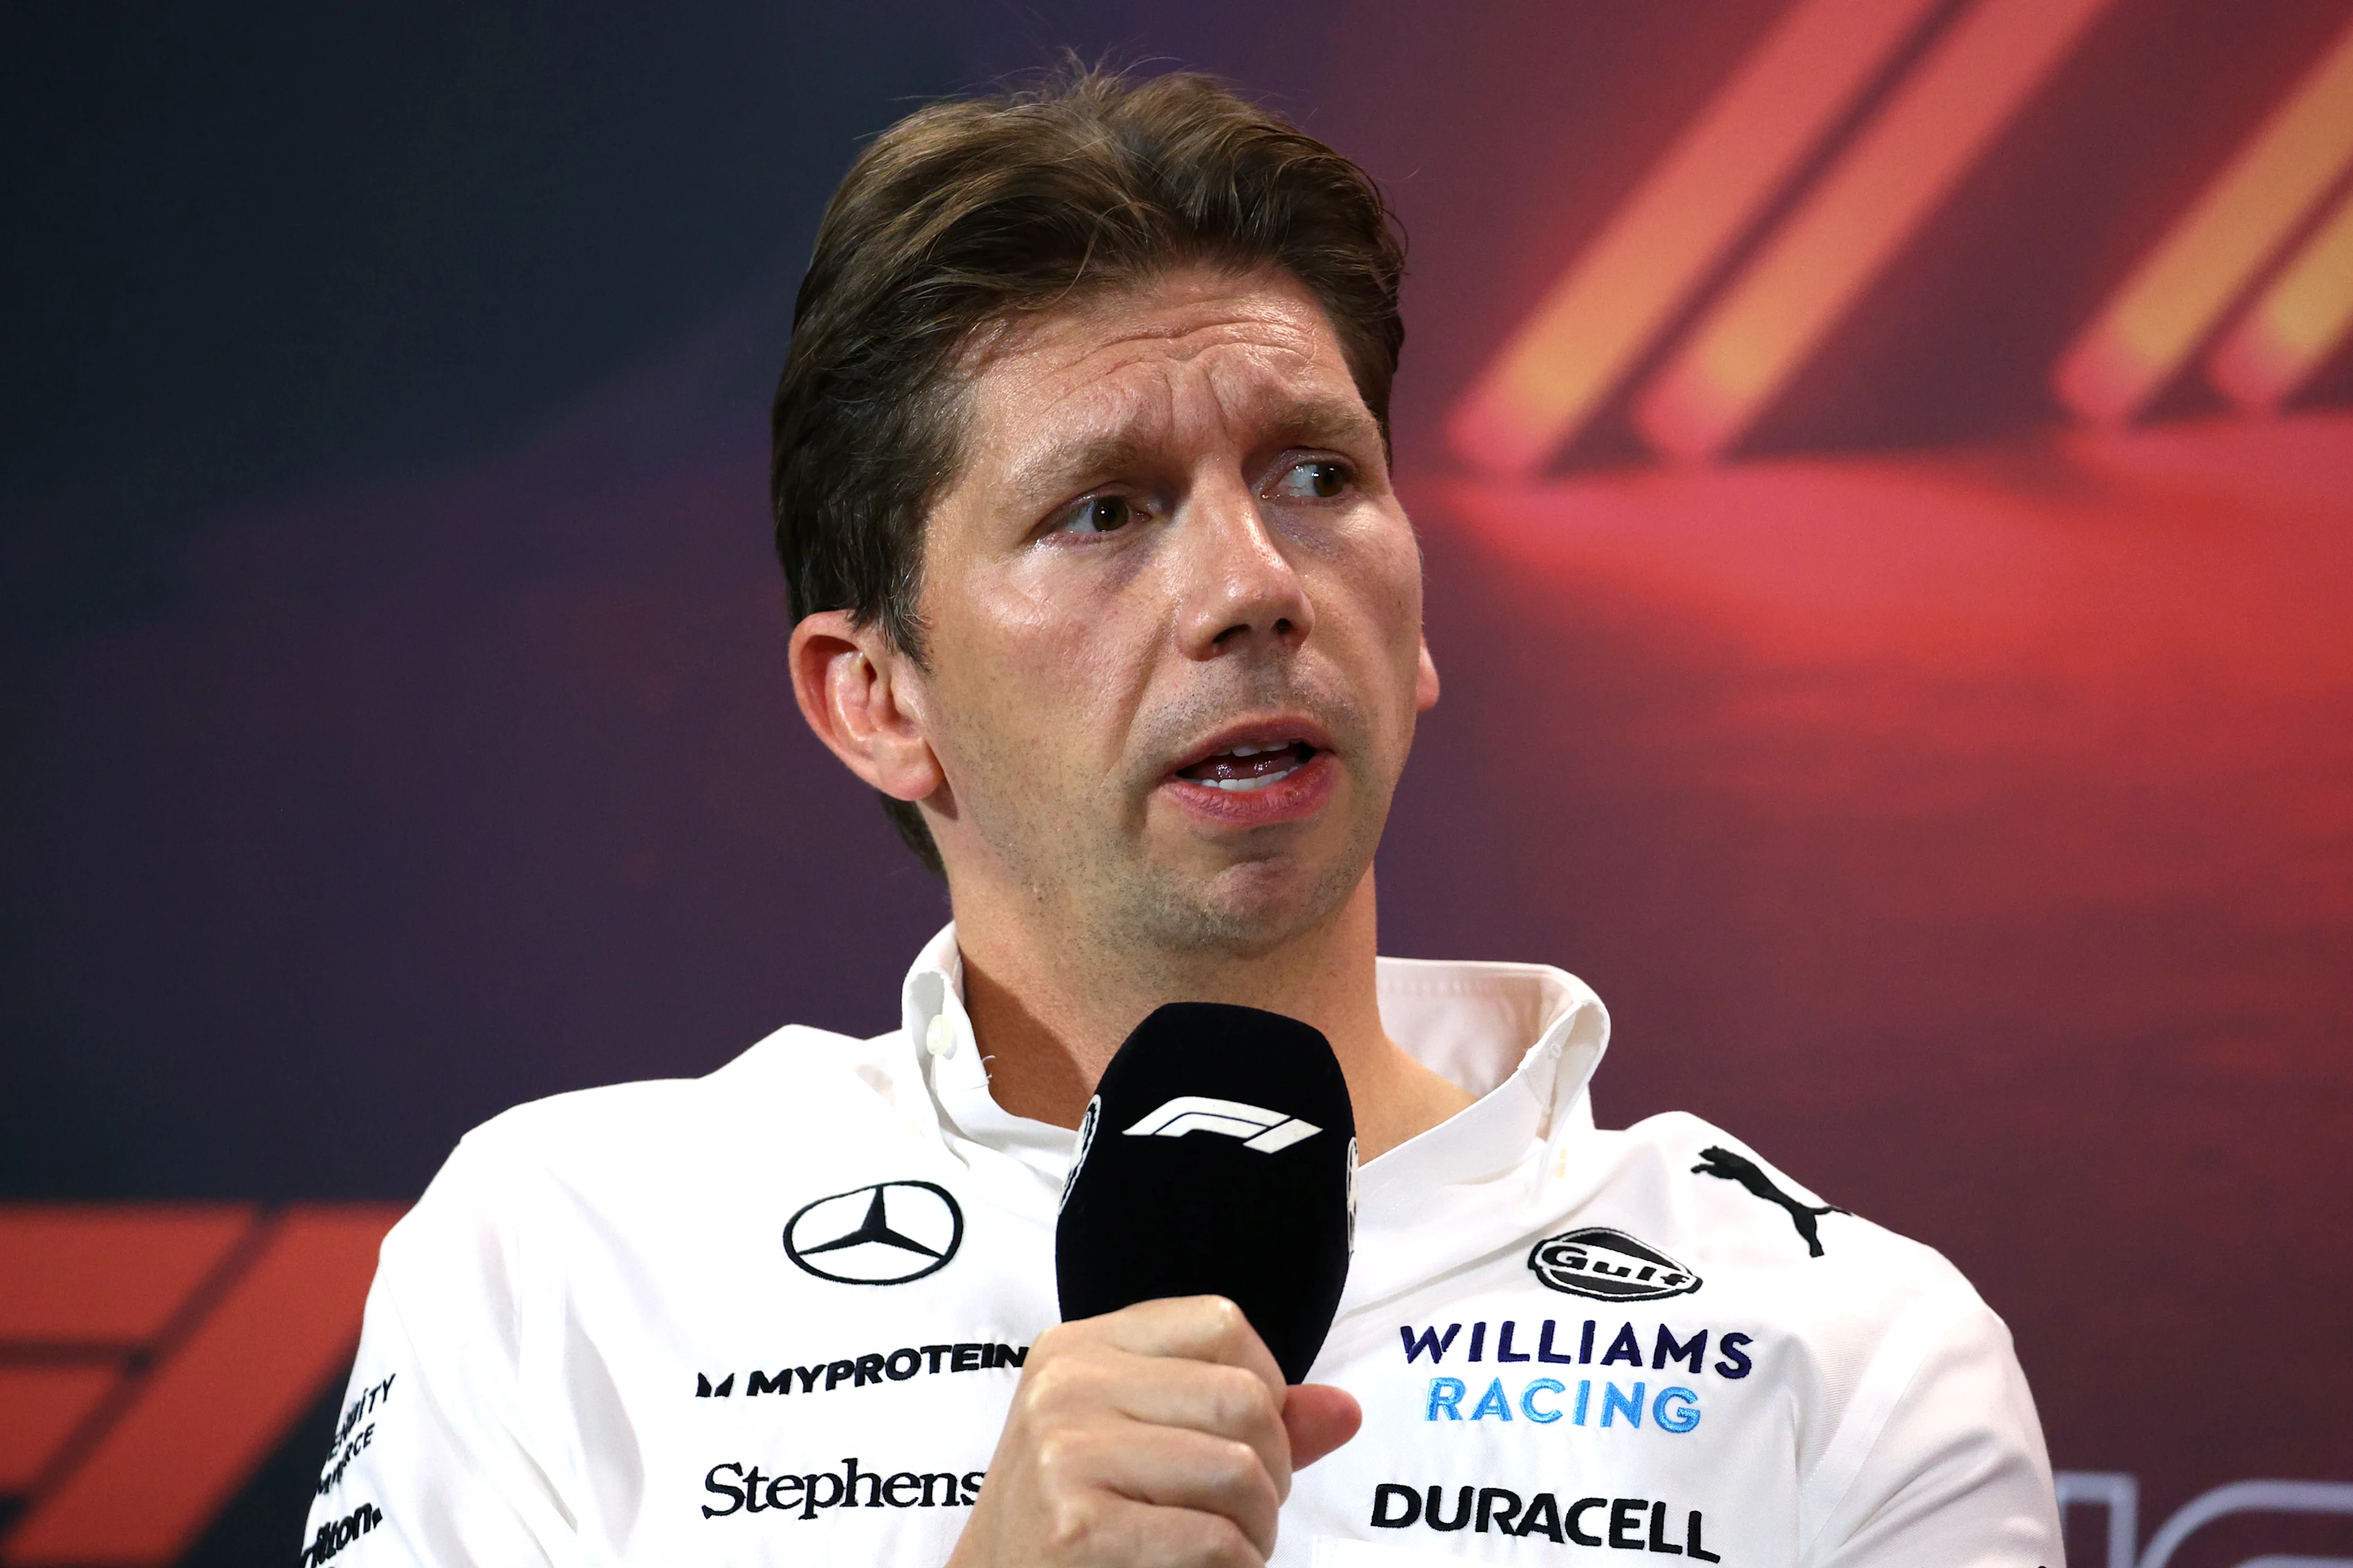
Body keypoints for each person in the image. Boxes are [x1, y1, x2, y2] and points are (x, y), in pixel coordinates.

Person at [301, 67, 2061, 1568]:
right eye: (1104, 508)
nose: (1250, 584)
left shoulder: (1845, 1349)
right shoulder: (567, 1251)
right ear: (876, 697)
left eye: (1315, 475)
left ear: (1420, 619)